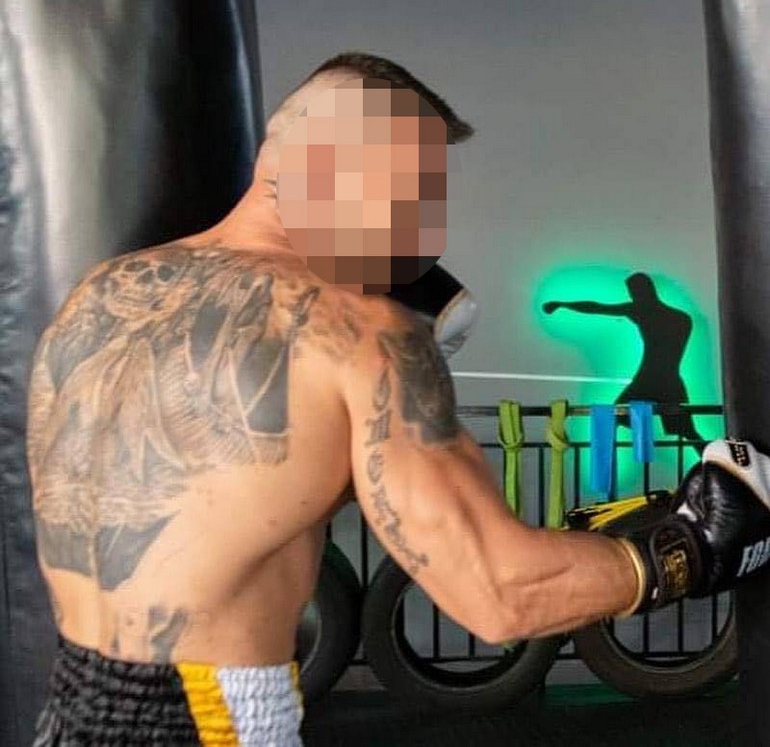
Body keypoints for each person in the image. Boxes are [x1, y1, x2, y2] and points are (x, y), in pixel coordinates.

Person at [27, 52, 770, 746]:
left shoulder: (101, 293)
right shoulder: (359, 333)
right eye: (418, 191)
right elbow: (496, 593)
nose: (424, 228)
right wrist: (689, 546)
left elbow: (222, 500)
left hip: (71, 704)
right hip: (212, 716)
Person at [544, 271, 705, 445]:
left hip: (647, 380)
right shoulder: (682, 318)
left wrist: (563, 304)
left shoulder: (640, 310)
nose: (632, 296)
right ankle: (716, 459)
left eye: (633, 292)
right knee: (687, 431)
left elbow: (598, 307)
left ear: (641, 291)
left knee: (614, 417)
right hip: (671, 381)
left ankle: (609, 461)